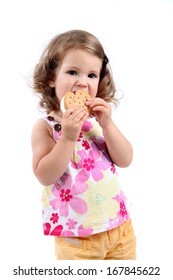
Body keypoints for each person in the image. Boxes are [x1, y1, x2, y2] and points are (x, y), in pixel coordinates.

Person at [31, 29, 136, 260]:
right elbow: (44, 175)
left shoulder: (96, 122)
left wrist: (108, 125)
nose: (82, 82)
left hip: (119, 228)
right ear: (51, 77)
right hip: (77, 238)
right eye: (72, 72)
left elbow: (125, 159)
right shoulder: (47, 127)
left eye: (91, 75)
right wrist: (67, 138)